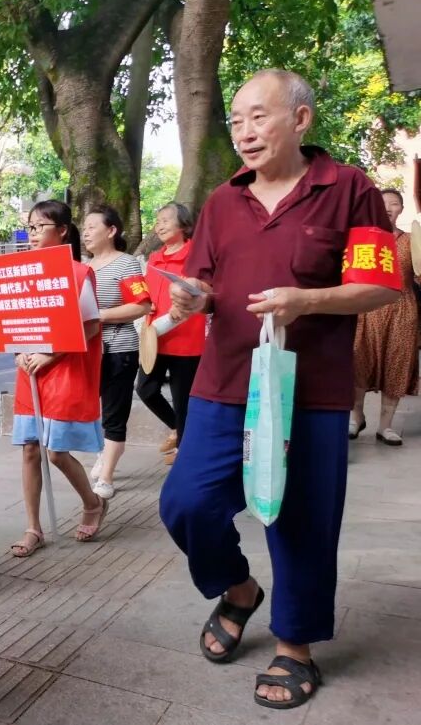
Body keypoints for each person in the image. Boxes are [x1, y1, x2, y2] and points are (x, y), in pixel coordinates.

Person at [159, 69, 400, 710]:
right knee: (186, 503)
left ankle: (295, 644)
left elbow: (379, 287)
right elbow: (204, 283)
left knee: (303, 519)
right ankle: (238, 589)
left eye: (258, 116)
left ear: (300, 119)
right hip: (223, 383)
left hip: (310, 390)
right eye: (237, 120)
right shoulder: (221, 201)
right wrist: (194, 298)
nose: (244, 132)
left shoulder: (348, 188)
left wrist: (307, 300)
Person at [9, 200, 107, 557]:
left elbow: (91, 325)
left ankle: (93, 503)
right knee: (30, 449)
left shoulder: (79, 274)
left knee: (56, 451)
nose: (33, 234)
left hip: (63, 370)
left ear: (63, 231)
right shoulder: (21, 272)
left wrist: (52, 354)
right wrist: (17, 352)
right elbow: (11, 322)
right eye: (30, 227)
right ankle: (33, 527)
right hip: (30, 370)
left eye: (40, 227)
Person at [81, 205, 152, 498]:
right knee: (90, 411)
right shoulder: (83, 267)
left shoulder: (126, 264)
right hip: (88, 351)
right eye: (84, 228)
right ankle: (104, 453)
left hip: (118, 350)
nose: (85, 233)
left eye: (92, 227)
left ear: (111, 231)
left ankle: (106, 478)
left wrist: (99, 316)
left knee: (113, 413)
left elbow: (142, 306)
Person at [136, 202, 206, 466]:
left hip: (187, 339)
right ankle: (177, 429)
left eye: (166, 220)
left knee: (182, 398)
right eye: (158, 221)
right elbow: (148, 290)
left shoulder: (196, 254)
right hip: (156, 336)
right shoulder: (155, 257)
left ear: (183, 225)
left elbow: (204, 288)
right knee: (145, 389)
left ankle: (184, 455)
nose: (160, 225)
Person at [350, 188, 420, 445]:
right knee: (359, 363)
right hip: (366, 310)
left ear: (401, 209)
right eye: (383, 203)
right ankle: (356, 418)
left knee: (396, 366)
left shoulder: (412, 240)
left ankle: (385, 426)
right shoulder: (362, 239)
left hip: (402, 310)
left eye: (394, 203)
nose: (388, 208)